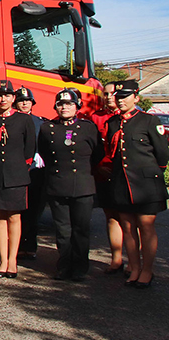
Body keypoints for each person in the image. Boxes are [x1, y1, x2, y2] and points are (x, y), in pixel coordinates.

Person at [104, 80, 169, 288]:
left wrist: (154, 175)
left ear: (136, 98)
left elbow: (162, 153)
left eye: (125, 97)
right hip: (122, 183)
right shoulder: (113, 123)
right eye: (118, 97)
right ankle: (134, 268)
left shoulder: (149, 121)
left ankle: (147, 271)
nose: (121, 100)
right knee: (128, 227)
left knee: (146, 227)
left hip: (146, 184)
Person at [38, 89, 102, 282]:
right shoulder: (47, 128)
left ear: (77, 106)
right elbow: (46, 154)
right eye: (60, 104)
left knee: (81, 229)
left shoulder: (88, 128)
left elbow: (97, 154)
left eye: (69, 104)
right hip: (58, 185)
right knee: (63, 230)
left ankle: (80, 267)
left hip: (82, 185)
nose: (64, 107)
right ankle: (64, 265)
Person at [0, 80, 36, 279]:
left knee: (14, 218)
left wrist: (20, 169)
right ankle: (3, 260)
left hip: (15, 175)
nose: (3, 99)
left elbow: (29, 149)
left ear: (13, 98)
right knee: (0, 218)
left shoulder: (23, 119)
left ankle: (13, 260)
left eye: (7, 95)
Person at [90, 81, 125, 275]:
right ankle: (116, 259)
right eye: (106, 94)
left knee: (130, 220)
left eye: (113, 94)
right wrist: (99, 167)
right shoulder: (96, 117)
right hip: (104, 173)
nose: (109, 97)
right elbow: (93, 148)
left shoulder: (129, 118)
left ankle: (135, 260)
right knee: (111, 217)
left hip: (126, 175)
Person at [15, 87, 46, 261]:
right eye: (21, 100)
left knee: (34, 212)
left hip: (36, 172)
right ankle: (18, 246)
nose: (25, 103)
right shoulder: (12, 121)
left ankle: (30, 245)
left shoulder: (40, 123)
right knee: (18, 211)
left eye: (27, 100)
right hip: (17, 171)